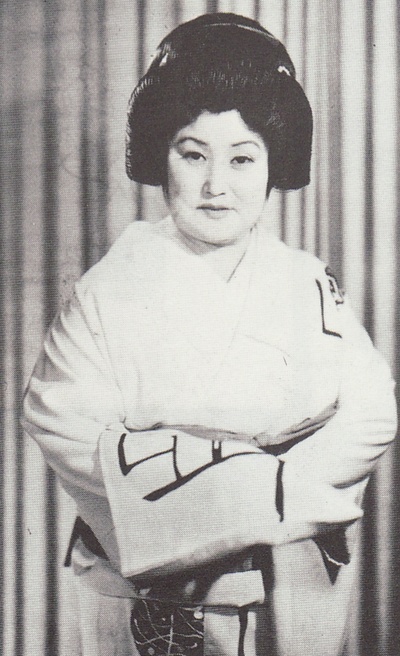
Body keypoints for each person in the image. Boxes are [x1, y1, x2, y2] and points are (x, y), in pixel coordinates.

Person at [22, 12, 397, 656]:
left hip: (288, 577)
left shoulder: (307, 281)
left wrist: (271, 499)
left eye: (242, 159)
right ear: (160, 156)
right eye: (192, 154)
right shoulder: (108, 289)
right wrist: (253, 494)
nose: (216, 186)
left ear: (274, 165)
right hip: (146, 589)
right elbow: (59, 418)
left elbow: (371, 411)